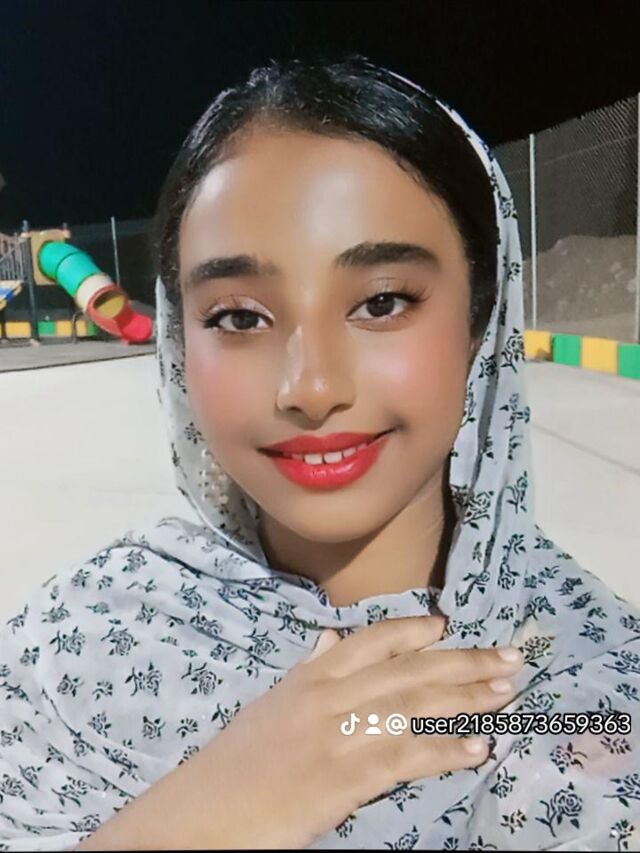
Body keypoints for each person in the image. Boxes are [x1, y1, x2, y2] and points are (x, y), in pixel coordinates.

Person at [1, 54, 639, 851]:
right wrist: (205, 813)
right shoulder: (80, 637)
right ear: (178, 345)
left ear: (483, 317)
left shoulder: (591, 688)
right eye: (239, 317)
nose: (310, 387)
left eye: (381, 301)